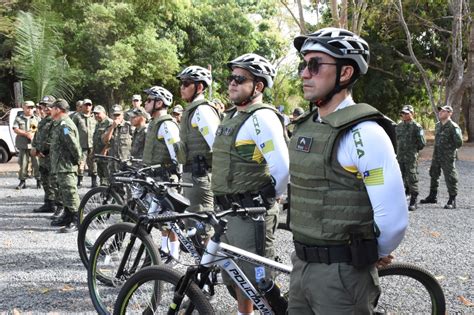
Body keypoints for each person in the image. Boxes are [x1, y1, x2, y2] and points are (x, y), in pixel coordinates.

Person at [288, 27, 408, 314]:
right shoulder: (307, 125)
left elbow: (393, 220)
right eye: (304, 64)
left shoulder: (364, 133)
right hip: (301, 265)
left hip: (342, 276)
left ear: (344, 74)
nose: (305, 73)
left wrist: (370, 254)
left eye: (316, 65)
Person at [212, 53, 289, 315]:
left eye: (239, 78)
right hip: (229, 211)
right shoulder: (233, 116)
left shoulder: (261, 118)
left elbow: (282, 167)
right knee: (236, 276)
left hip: (250, 213)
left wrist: (266, 199)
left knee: (258, 280)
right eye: (231, 77)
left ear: (258, 86)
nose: (231, 83)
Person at [174, 65, 220, 214]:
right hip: (192, 176)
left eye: (186, 83)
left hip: (200, 177)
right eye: (181, 83)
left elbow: (218, 146)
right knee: (192, 224)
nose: (182, 87)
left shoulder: (202, 110)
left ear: (199, 87)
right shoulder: (193, 109)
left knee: (201, 225)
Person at [142, 86, 181, 259]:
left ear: (159, 103)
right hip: (155, 177)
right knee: (161, 220)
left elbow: (176, 153)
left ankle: (175, 254)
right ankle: (165, 250)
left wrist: (175, 174)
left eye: (149, 100)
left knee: (170, 219)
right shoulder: (154, 122)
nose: (145, 103)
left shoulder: (166, 124)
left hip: (166, 178)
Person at [48, 99, 82, 233]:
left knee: (70, 192)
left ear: (58, 109)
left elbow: (73, 145)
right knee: (64, 193)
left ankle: (77, 220)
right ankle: (68, 216)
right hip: (61, 165)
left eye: (52, 108)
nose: (50, 110)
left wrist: (78, 160)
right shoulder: (59, 124)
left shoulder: (65, 125)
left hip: (66, 165)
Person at [420, 105, 463, 209]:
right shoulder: (438, 125)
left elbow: (459, 143)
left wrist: (449, 148)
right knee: (434, 174)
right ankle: (432, 196)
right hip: (437, 155)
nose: (440, 112)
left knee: (450, 176)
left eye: (443, 111)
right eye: (440, 111)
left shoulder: (454, 127)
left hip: (447, 157)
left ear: (449, 113)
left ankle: (452, 199)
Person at [396, 104, 426, 211]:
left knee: (412, 177)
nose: (404, 115)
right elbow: (397, 141)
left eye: (407, 113)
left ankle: (414, 200)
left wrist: (413, 150)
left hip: (411, 157)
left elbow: (422, 143)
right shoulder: (399, 126)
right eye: (403, 113)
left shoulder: (416, 127)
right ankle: (403, 196)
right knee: (400, 177)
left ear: (412, 114)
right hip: (400, 157)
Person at [31, 95, 57, 213]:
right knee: (45, 181)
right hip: (42, 157)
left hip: (51, 157)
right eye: (43, 105)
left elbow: (57, 139)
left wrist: (45, 151)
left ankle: (59, 206)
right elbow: (38, 136)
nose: (45, 108)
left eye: (48, 106)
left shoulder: (57, 121)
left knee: (54, 182)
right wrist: (35, 148)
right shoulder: (43, 121)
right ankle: (49, 203)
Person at [13, 100, 41, 189]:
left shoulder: (36, 118)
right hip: (23, 145)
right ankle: (22, 181)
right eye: (28, 107)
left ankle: (39, 181)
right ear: (23, 108)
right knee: (23, 163)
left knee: (36, 163)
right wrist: (26, 134)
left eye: (32, 107)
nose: (30, 109)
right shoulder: (18, 118)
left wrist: (32, 133)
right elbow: (15, 129)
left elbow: (38, 129)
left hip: (34, 145)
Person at [72, 98, 97, 187]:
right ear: (82, 106)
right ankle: (80, 181)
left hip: (92, 144)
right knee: (81, 163)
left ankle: (94, 181)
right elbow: (68, 128)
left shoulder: (94, 116)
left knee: (93, 163)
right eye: (86, 105)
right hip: (81, 144)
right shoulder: (77, 116)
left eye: (89, 105)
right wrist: (68, 138)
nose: (87, 107)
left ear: (91, 106)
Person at [102, 105, 133, 175]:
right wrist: (112, 127)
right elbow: (105, 141)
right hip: (112, 163)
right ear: (111, 116)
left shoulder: (129, 126)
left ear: (122, 115)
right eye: (114, 115)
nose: (116, 117)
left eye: (118, 115)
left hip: (126, 163)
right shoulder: (109, 127)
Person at [92, 105, 113, 186]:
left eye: (98, 113)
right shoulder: (98, 124)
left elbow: (111, 139)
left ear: (104, 113)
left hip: (106, 156)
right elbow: (96, 139)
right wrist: (93, 151)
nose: (96, 115)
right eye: (95, 114)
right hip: (99, 155)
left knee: (107, 176)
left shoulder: (109, 122)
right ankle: (103, 193)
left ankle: (110, 195)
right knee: (101, 176)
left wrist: (105, 150)